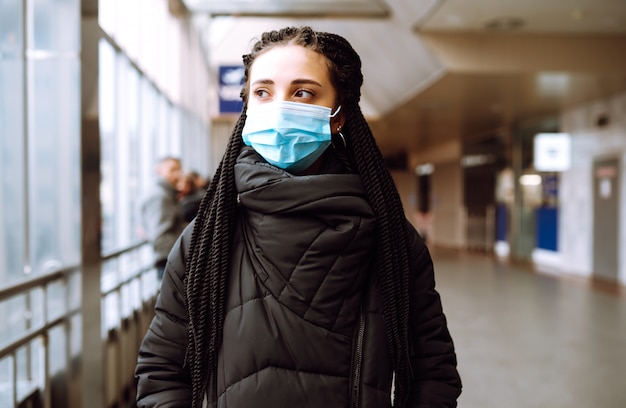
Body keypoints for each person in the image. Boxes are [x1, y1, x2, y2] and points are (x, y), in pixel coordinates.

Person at [135, 26, 461, 408]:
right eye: (263, 92)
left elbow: (432, 371)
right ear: (247, 110)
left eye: (303, 92)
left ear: (338, 116)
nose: (279, 107)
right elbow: (161, 370)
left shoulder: (389, 238)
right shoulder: (209, 237)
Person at [139, 156, 187, 281]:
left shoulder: (168, 194)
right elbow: (160, 238)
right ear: (159, 170)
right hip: (169, 262)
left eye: (179, 170)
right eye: (172, 170)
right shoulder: (160, 196)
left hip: (171, 260)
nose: (177, 174)